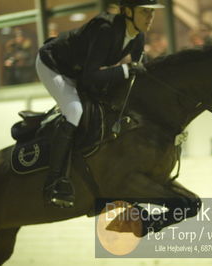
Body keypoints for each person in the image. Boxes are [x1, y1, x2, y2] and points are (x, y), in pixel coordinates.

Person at [36, 0, 164, 208]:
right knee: (74, 110)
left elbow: (140, 70)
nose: (150, 17)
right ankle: (54, 181)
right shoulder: (105, 29)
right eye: (144, 12)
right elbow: (90, 77)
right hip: (53, 65)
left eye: (152, 12)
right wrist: (125, 70)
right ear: (127, 11)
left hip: (78, 69)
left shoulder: (138, 35)